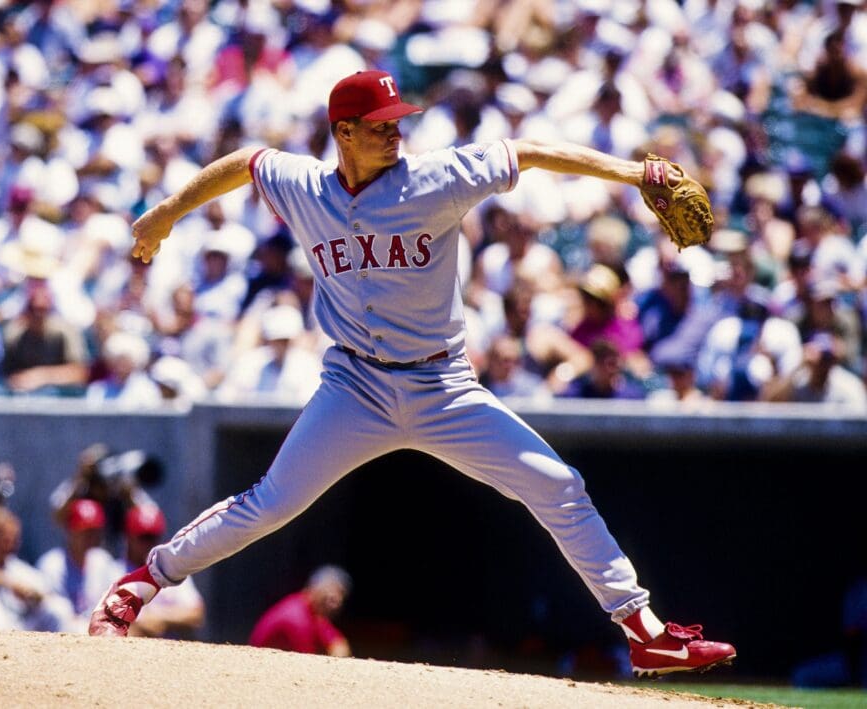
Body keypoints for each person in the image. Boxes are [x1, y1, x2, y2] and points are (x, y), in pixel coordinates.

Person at [89, 69, 736, 678]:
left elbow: (531, 152)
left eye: (398, 120)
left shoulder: (436, 178)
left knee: (557, 484)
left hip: (442, 387)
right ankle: (142, 582)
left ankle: (644, 631)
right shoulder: (304, 185)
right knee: (271, 502)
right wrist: (168, 211)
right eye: (380, 124)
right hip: (354, 387)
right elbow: (246, 163)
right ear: (343, 133)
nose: (395, 131)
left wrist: (631, 172)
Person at [0, 505, 74, 632]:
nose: (7, 542)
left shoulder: (19, 569)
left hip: (20, 630)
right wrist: (9, 583)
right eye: (1, 536)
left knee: (59, 607)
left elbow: (48, 596)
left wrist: (34, 595)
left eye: (12, 538)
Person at [115, 504, 205, 640]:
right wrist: (141, 623)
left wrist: (160, 618)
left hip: (169, 653)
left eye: (153, 537)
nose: (148, 544)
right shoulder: (114, 571)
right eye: (143, 537)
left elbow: (196, 614)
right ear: (129, 537)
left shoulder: (171, 568)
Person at [36, 497, 121, 633]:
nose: (89, 536)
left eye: (93, 531)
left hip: (97, 632)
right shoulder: (51, 564)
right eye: (84, 531)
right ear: (70, 530)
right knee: (57, 608)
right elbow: (51, 614)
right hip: (60, 635)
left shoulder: (103, 561)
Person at [249, 565, 352, 657]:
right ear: (313, 588)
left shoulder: (308, 609)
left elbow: (333, 638)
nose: (336, 602)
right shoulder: (297, 619)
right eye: (328, 597)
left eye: (341, 594)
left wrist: (338, 646)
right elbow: (307, 665)